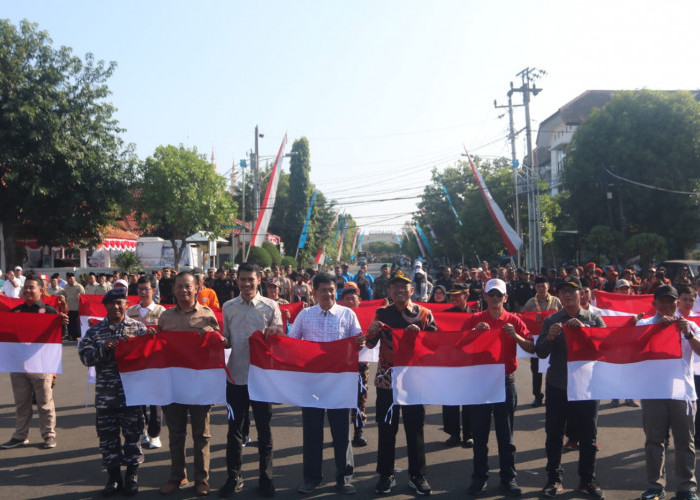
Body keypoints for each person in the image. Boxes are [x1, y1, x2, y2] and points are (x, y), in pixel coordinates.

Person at [288, 272, 363, 495]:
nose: (329, 294)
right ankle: (312, 478)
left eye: (332, 290)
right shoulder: (305, 316)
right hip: (312, 383)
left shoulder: (347, 315)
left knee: (341, 432)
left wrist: (361, 341)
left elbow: (358, 342)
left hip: (339, 382)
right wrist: (275, 336)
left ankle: (344, 477)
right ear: (315, 292)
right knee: (312, 432)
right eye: (324, 290)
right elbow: (291, 342)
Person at [365, 270, 437, 496]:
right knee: (387, 429)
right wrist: (371, 331)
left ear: (412, 290)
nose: (399, 290)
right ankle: (386, 475)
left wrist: (421, 334)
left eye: (404, 287)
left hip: (414, 380)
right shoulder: (381, 313)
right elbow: (369, 345)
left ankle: (418, 475)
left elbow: (437, 344)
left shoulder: (424, 314)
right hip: (387, 380)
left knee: (415, 429)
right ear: (389, 291)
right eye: (395, 287)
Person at [462, 279, 534, 496]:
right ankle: (479, 477)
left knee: (506, 436)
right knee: (480, 435)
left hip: (505, 382)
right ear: (484, 297)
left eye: (498, 294)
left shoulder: (513, 320)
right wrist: (475, 332)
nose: (494, 298)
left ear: (505, 297)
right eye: (490, 294)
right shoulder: (474, 319)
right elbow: (458, 347)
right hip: (480, 383)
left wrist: (516, 336)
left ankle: (508, 479)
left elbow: (532, 347)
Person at [535, 276, 605, 498]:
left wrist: (584, 330)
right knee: (554, 435)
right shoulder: (551, 320)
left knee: (588, 437)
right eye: (563, 291)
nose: (567, 295)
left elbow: (604, 350)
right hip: (558, 385)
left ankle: (587, 480)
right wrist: (550, 338)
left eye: (571, 291)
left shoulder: (594, 319)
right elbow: (541, 352)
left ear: (582, 293)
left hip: (587, 387)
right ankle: (554, 479)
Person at [218, 263, 283, 498]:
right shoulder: (228, 307)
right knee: (234, 431)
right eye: (243, 279)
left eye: (251, 279)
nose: (247, 284)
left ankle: (266, 478)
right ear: (237, 281)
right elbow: (227, 338)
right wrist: (220, 341)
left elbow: (279, 339)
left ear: (259, 280)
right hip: (236, 377)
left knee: (264, 431)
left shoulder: (271, 306)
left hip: (262, 379)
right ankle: (234, 477)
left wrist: (275, 336)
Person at [78, 288, 148, 496]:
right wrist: (104, 349)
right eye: (111, 303)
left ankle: (132, 477)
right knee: (108, 440)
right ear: (106, 306)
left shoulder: (138, 329)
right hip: (106, 397)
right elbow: (85, 358)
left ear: (127, 305)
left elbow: (149, 357)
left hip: (132, 396)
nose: (116, 307)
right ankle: (114, 478)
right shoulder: (95, 331)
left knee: (133, 437)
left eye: (120, 303)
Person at [157, 271, 221, 496]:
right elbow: (158, 348)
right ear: (173, 289)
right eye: (179, 286)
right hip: (174, 384)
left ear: (197, 288)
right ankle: (177, 476)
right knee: (176, 434)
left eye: (188, 286)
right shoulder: (165, 317)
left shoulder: (207, 314)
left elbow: (219, 346)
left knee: (201, 435)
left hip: (199, 385)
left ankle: (202, 478)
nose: (184, 290)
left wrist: (213, 333)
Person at [636, 285, 700, 500]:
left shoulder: (688, 325)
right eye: (662, 301)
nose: (667, 305)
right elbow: (632, 349)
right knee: (654, 441)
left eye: (671, 301)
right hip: (653, 392)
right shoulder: (644, 325)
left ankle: (687, 486)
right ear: (654, 304)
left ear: (677, 304)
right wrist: (654, 328)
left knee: (685, 442)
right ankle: (655, 485)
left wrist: (687, 334)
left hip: (682, 393)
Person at [2, 276, 68, 451]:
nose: (28, 290)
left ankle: (48, 434)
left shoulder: (50, 312)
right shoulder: (16, 312)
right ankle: (20, 435)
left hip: (41, 365)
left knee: (44, 402)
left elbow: (60, 337)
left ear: (41, 290)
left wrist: (63, 323)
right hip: (18, 365)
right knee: (21, 403)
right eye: (26, 288)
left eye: (32, 287)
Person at [125, 276, 166, 450]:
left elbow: (166, 335)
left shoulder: (161, 311)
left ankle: (155, 433)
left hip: (155, 362)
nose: (143, 292)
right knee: (138, 400)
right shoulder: (131, 311)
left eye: (146, 289)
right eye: (140, 289)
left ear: (153, 290)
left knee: (156, 401)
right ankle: (142, 432)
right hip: (136, 363)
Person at [441, 284, 475, 448]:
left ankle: (468, 434)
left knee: (469, 400)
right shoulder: (445, 316)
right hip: (451, 363)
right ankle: (454, 433)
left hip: (469, 364)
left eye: (457, 296)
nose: (453, 299)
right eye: (451, 296)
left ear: (466, 296)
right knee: (451, 400)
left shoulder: (475, 316)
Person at [522, 277, 562, 407]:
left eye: (543, 286)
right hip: (538, 340)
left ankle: (552, 396)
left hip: (554, 339)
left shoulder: (556, 301)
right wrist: (534, 317)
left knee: (554, 368)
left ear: (548, 286)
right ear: (535, 288)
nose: (541, 289)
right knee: (536, 370)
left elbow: (563, 315)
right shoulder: (530, 303)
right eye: (538, 286)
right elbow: (523, 318)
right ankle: (537, 396)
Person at [339, 284, 370, 448]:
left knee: (360, 399)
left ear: (359, 301)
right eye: (347, 299)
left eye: (353, 299)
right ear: (342, 301)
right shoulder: (337, 316)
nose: (351, 301)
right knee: (341, 399)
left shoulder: (367, 317)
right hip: (341, 364)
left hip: (361, 364)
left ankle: (358, 433)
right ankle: (341, 433)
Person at [62, 272, 86, 341]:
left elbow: (83, 298)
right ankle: (70, 335)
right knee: (69, 323)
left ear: (74, 278)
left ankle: (76, 336)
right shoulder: (65, 287)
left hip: (76, 308)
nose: (70, 280)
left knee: (76, 323)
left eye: (71, 278)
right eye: (68, 278)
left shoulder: (79, 287)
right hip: (68, 308)